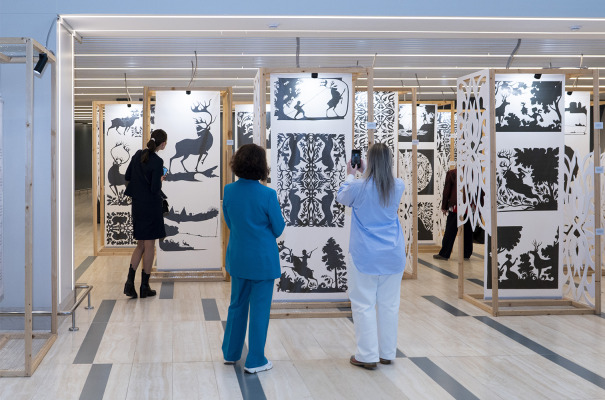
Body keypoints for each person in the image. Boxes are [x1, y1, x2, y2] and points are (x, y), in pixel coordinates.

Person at [336, 143, 406, 370]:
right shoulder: (398, 185)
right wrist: (367, 170)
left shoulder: (357, 187)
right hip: (393, 255)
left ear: (369, 160)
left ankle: (367, 356)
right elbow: (382, 182)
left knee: (363, 304)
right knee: (389, 305)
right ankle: (387, 353)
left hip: (364, 255)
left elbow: (341, 196)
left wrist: (351, 173)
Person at [222, 143, 285, 374]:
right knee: (259, 310)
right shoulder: (268, 195)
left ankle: (231, 353)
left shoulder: (229, 191)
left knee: (237, 305)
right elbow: (278, 228)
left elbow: (229, 222)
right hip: (262, 261)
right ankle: (256, 360)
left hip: (238, 257)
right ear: (261, 166)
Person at [123, 129, 168, 298]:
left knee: (140, 245)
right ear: (162, 144)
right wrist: (160, 179)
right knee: (149, 246)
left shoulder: (137, 155)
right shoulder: (158, 161)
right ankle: (144, 286)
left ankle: (129, 283)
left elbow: (127, 176)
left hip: (137, 206)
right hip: (151, 207)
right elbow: (155, 188)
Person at [433, 168, 473, 261]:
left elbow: (447, 190)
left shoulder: (452, 173)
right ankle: (466, 254)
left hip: (456, 206)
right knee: (467, 231)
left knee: (450, 230)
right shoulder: (473, 172)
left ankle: (445, 253)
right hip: (470, 207)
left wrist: (444, 206)